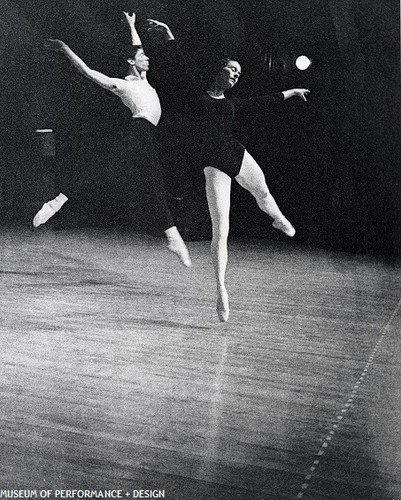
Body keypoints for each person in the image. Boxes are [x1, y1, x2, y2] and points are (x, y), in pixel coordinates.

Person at [146, 19, 310, 321]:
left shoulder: (233, 104)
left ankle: (278, 219)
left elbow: (264, 102)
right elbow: (179, 65)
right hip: (214, 166)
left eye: (238, 73)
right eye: (231, 70)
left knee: (264, 194)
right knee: (220, 232)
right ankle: (221, 290)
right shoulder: (196, 95)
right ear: (218, 72)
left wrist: (291, 91)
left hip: (235, 154)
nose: (235, 75)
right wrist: (169, 34)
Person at [33, 13, 191, 267]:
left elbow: (137, 47)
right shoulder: (122, 85)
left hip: (147, 134)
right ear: (131, 61)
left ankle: (172, 237)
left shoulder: (145, 80)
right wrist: (65, 49)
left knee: (132, 178)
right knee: (132, 178)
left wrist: (131, 25)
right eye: (142, 57)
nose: (147, 58)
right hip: (138, 130)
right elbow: (87, 72)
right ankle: (173, 237)